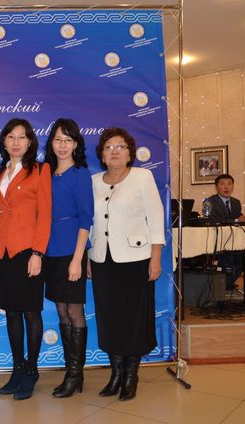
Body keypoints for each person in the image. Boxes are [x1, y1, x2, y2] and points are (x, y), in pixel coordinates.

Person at [88, 127, 164, 401]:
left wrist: (156, 257)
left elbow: (156, 217)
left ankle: (131, 374)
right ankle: (116, 373)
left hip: (136, 259)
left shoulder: (142, 177)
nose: (114, 151)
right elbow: (90, 222)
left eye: (120, 146)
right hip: (102, 259)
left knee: (134, 317)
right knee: (109, 317)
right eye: (108, 147)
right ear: (102, 155)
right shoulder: (94, 181)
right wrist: (88, 256)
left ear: (130, 152)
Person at [0, 118, 51, 400]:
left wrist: (38, 253)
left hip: (28, 252)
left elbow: (45, 215)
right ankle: (17, 368)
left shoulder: (40, 170)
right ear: (4, 141)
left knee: (31, 312)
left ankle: (32, 370)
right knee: (12, 312)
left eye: (22, 137)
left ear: (30, 142)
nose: (16, 142)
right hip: (3, 253)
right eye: (11, 137)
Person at [42, 118, 93, 398]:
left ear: (76, 144)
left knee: (74, 311)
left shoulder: (80, 173)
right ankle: (71, 371)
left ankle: (75, 374)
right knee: (61, 310)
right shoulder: (46, 172)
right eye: (58, 140)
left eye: (68, 140)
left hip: (72, 250)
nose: (62, 145)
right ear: (51, 143)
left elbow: (86, 219)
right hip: (50, 250)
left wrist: (78, 259)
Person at [207, 173, 245, 289]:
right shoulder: (209, 201)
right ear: (216, 187)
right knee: (228, 257)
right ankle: (223, 285)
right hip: (218, 240)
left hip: (235, 240)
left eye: (229, 184)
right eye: (222, 184)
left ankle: (227, 283)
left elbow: (238, 217)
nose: (226, 187)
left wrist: (243, 219)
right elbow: (212, 220)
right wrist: (236, 220)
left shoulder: (236, 202)